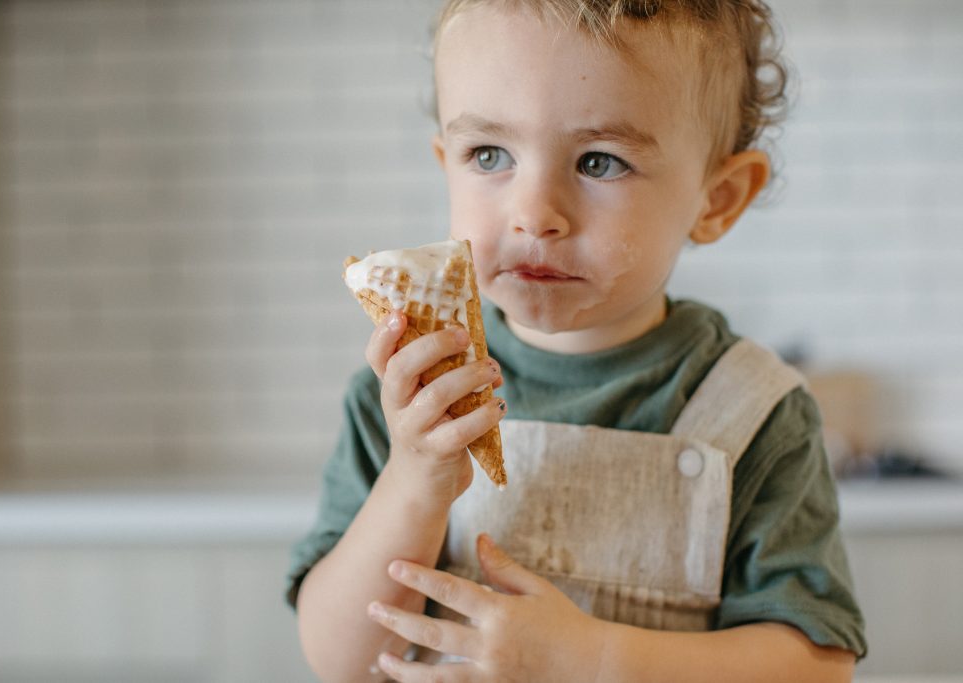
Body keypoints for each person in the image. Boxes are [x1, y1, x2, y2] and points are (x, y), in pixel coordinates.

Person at [286, 0, 867, 681]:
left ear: (717, 199)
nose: (535, 213)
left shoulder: (759, 411)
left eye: (599, 162)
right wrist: (414, 479)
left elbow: (817, 665)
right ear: (447, 162)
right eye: (490, 154)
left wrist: (594, 659)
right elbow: (339, 659)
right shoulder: (406, 398)